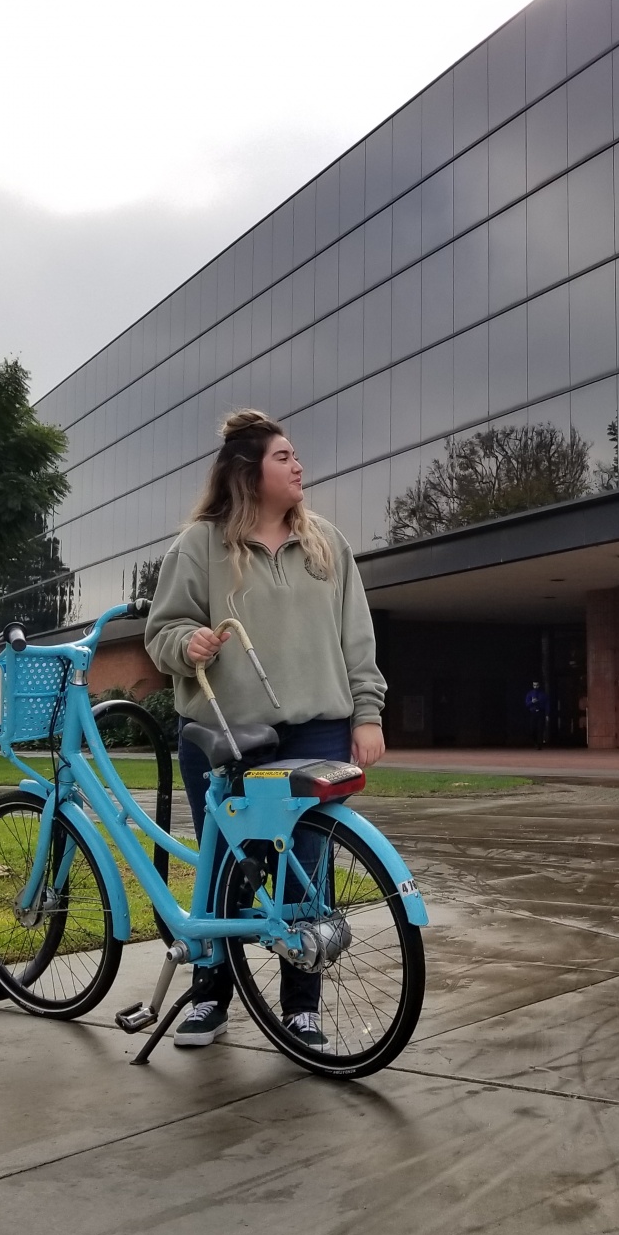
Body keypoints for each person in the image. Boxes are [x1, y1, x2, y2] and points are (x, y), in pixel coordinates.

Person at [145, 409, 387, 1051]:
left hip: (319, 733)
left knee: (305, 868)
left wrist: (368, 714)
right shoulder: (199, 545)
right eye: (284, 457)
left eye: (295, 456)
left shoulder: (328, 543)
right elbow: (160, 631)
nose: (299, 466)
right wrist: (186, 643)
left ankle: (301, 1007)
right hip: (224, 734)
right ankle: (209, 998)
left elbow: (357, 640)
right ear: (247, 472)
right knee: (225, 865)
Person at [523, 681, 549, 748]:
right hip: (533, 713)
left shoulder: (543, 694)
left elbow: (547, 704)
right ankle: (535, 742)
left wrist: (547, 714)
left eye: (537, 685)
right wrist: (532, 702)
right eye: (534, 685)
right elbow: (527, 704)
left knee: (540, 728)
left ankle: (539, 744)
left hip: (541, 712)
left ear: (539, 685)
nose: (535, 686)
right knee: (532, 729)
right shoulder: (530, 694)